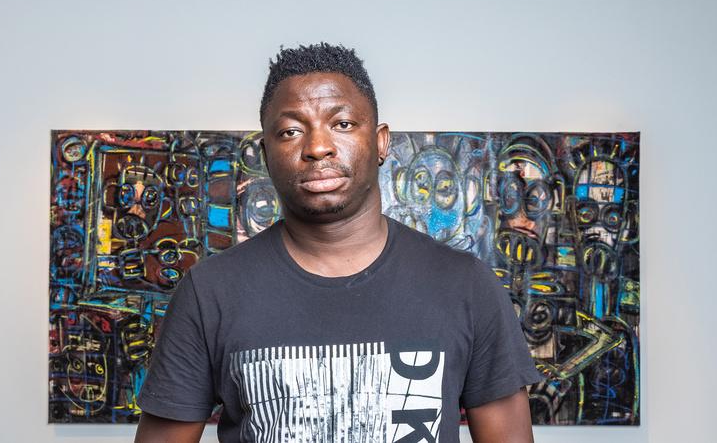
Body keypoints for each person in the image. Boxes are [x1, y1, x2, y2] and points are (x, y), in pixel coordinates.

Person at [134, 43, 543, 443]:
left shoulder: (466, 285)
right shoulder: (210, 292)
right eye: (291, 131)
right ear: (265, 153)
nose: (317, 147)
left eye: (342, 124)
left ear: (381, 142)